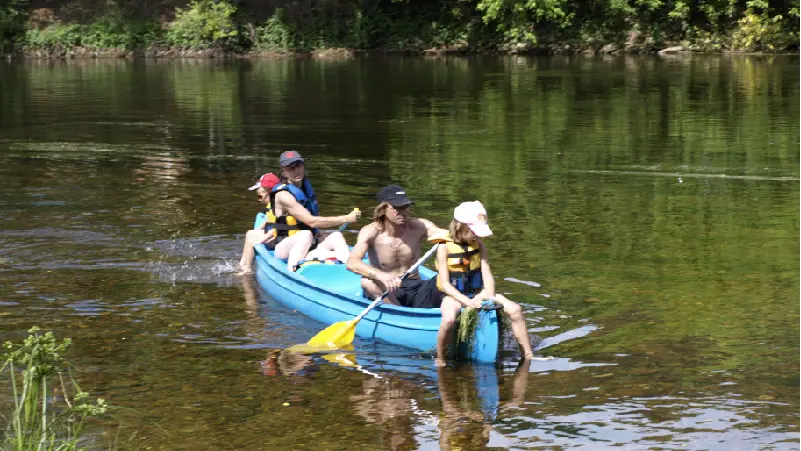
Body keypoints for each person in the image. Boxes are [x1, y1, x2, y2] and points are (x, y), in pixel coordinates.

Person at [434, 201, 534, 364]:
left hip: (477, 293)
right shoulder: (443, 247)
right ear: (460, 226)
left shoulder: (479, 246)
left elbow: (487, 275)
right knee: (449, 320)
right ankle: (440, 357)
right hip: (452, 296)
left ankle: (528, 355)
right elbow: (445, 284)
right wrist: (466, 301)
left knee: (515, 309)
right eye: (473, 231)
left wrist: (488, 295)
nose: (477, 236)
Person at [346, 185, 447, 307]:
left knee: (449, 276)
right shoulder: (371, 232)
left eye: (405, 207)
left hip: (416, 286)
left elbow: (450, 235)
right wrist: (380, 275)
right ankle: (399, 313)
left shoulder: (418, 226)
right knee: (367, 282)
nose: (403, 212)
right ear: (383, 209)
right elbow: (352, 263)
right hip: (388, 290)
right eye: (397, 208)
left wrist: (468, 227)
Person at [268, 150, 360, 271]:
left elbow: (310, 223)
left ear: (303, 166)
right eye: (291, 168)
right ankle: (293, 271)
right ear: (284, 172)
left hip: (308, 243)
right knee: (305, 235)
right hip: (283, 247)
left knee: (336, 235)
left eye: (298, 165)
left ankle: (349, 268)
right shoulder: (284, 195)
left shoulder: (305, 189)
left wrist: (318, 233)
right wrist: (346, 219)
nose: (296, 170)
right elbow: (311, 221)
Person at [236, 172, 281, 275]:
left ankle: (247, 269)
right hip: (277, 234)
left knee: (251, 236)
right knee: (251, 233)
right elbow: (269, 219)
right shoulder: (273, 203)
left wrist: (261, 239)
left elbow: (278, 227)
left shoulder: (278, 205)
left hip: (281, 237)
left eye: (260, 197)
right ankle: (242, 265)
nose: (259, 200)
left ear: (269, 192)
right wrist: (259, 228)